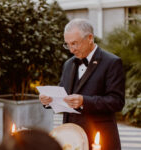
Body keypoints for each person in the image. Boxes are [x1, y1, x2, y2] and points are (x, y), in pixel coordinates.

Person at [39, 18, 125, 150]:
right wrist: (49, 100)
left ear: (90, 38)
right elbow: (64, 94)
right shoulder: (68, 64)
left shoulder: (112, 62)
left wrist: (84, 101)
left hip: (99, 137)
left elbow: (117, 101)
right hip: (71, 138)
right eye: (67, 44)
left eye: (75, 43)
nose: (71, 50)